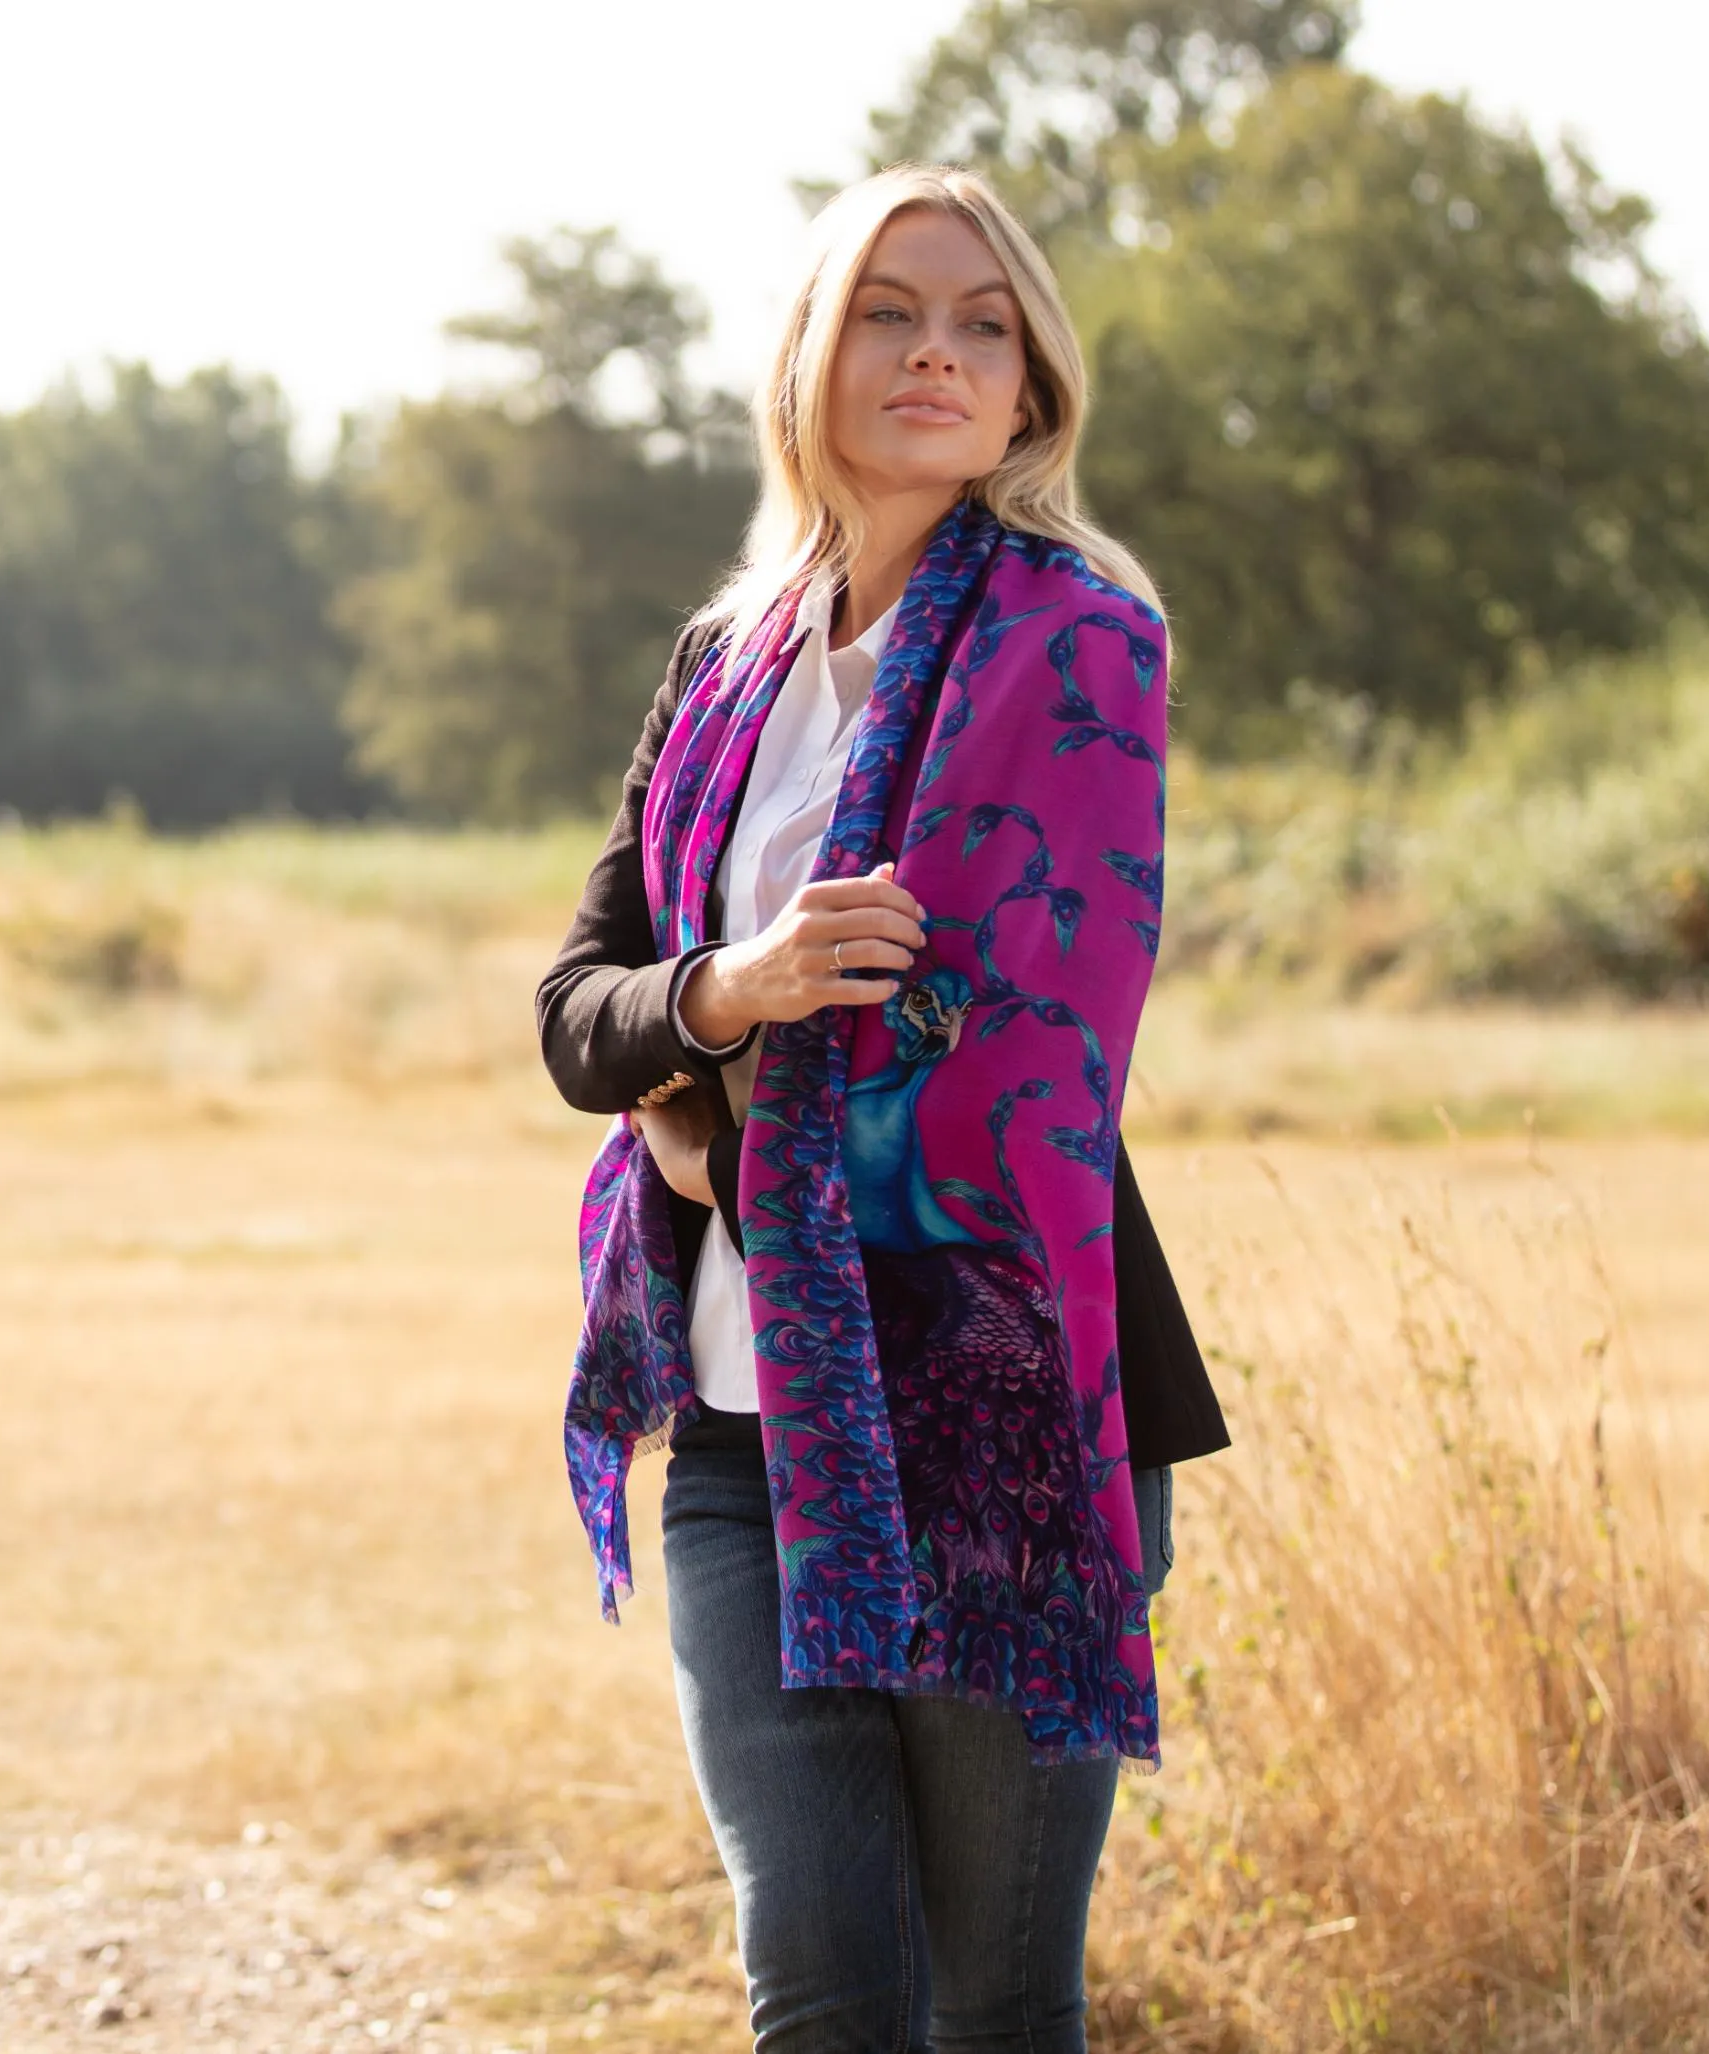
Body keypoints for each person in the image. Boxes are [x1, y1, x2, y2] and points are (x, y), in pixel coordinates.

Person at [534, 163, 1230, 2053]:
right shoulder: (723, 665)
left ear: (1033, 387)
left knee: (996, 2005)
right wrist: (730, 996)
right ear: (811, 359)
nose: (939, 351)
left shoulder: (1080, 641)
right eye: (892, 312)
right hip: (743, 1441)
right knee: (825, 1998)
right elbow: (578, 1008)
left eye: (983, 322)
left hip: (985, 1416)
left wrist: (700, 1116)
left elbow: (1012, 1032)